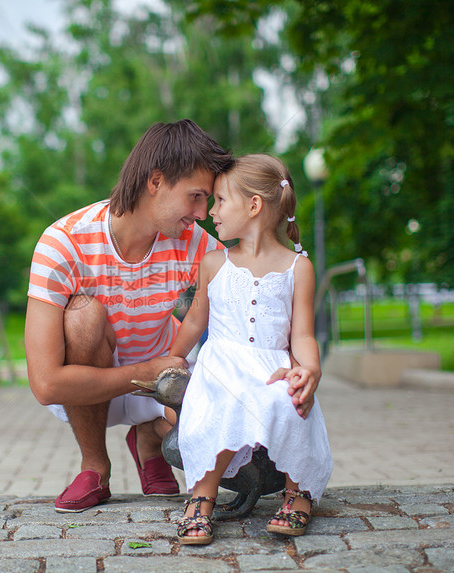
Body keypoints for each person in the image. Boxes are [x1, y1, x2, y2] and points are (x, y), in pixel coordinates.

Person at [24, 119, 236, 513]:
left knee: (212, 420)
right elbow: (46, 384)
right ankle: (95, 467)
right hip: (91, 383)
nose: (203, 213)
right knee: (83, 316)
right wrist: (152, 370)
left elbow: (244, 299)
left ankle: (148, 441)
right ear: (156, 182)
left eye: (207, 200)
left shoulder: (194, 243)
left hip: (158, 382)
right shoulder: (63, 242)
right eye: (195, 197)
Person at [167, 154, 333, 544]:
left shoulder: (298, 268)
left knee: (290, 400)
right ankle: (202, 498)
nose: (211, 212)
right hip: (221, 367)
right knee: (221, 407)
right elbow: (195, 319)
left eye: (221, 201)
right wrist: (174, 359)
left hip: (272, 366)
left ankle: (299, 493)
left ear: (254, 205)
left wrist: (308, 369)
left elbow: (303, 335)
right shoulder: (214, 262)